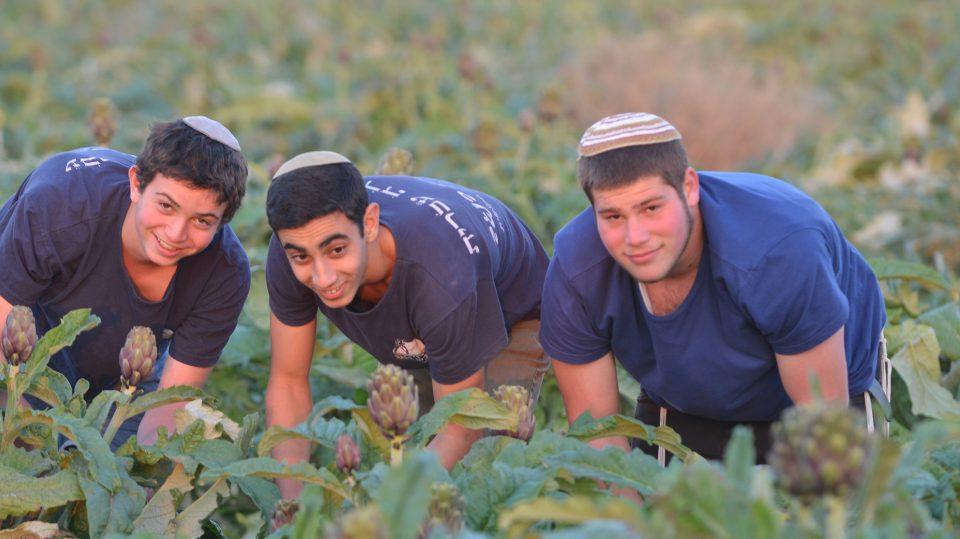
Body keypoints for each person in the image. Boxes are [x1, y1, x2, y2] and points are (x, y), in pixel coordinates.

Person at [540, 112, 887, 462]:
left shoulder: (776, 251)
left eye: (651, 208)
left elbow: (822, 426)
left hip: (817, 403)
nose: (636, 237)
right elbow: (600, 441)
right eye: (613, 216)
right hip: (681, 407)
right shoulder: (578, 270)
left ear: (689, 187)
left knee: (831, 485)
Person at [0, 116, 251, 450]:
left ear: (223, 221)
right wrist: (32, 448)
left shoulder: (225, 273)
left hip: (126, 371)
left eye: (202, 221)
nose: (176, 233)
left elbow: (167, 408)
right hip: (13, 337)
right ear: (136, 183)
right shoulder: (60, 204)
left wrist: (135, 470)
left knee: (123, 471)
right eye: (165, 205)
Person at [264, 151, 549, 495]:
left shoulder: (441, 278)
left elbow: (463, 424)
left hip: (510, 308)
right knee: (410, 442)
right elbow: (288, 382)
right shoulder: (294, 245)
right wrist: (296, 509)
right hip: (430, 314)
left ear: (369, 224)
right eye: (301, 257)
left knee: (487, 464)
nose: (323, 277)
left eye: (337, 250)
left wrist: (391, 512)